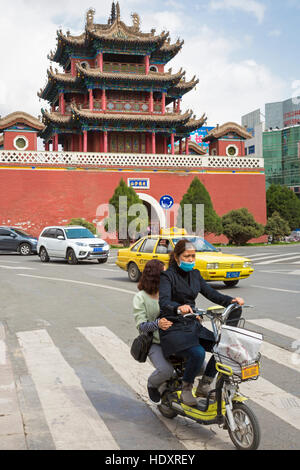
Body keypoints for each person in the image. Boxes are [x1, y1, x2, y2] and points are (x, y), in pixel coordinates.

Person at [159, 239, 244, 407]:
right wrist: (178, 308)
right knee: (197, 353)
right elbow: (164, 302)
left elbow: (211, 293)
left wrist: (231, 300)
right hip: (173, 327)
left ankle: (204, 385)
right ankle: (186, 388)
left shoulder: (195, 275)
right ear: (176, 257)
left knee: (221, 348)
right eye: (187, 256)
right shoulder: (167, 276)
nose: (191, 260)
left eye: (193, 256)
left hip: (192, 325)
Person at [133, 260, 174, 404]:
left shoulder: (169, 291)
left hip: (174, 339)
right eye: (164, 273)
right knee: (165, 370)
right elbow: (141, 326)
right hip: (155, 343)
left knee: (200, 366)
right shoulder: (141, 297)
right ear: (155, 276)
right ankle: (152, 384)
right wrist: (158, 324)